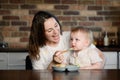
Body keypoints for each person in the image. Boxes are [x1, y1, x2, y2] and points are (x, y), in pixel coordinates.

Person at [28, 11, 105, 70]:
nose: (56, 32)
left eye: (56, 26)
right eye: (49, 30)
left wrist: (96, 68)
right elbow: (40, 77)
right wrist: (53, 62)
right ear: (41, 33)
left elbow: (100, 56)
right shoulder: (37, 51)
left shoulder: (72, 37)